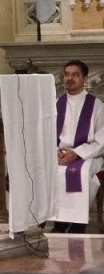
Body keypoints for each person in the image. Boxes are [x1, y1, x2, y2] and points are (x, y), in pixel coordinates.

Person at [51, 60, 104, 233]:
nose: (70, 78)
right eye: (67, 74)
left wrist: (76, 153)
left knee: (80, 173)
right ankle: (59, 221)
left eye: (75, 75)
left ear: (85, 79)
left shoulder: (97, 106)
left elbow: (101, 140)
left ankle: (78, 224)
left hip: (88, 155)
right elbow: (48, 134)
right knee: (51, 172)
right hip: (59, 154)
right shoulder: (56, 104)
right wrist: (56, 152)